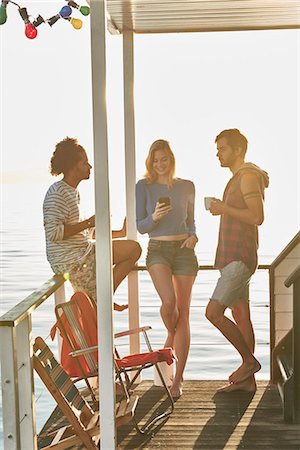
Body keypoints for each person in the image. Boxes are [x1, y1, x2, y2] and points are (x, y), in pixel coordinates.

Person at [43, 137, 141, 310]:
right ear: (72, 166)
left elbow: (85, 235)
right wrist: (89, 222)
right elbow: (54, 233)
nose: (90, 167)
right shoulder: (57, 192)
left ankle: (102, 297)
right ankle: (102, 298)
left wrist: (120, 232)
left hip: (82, 253)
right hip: (72, 261)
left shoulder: (73, 192)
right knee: (134, 249)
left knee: (133, 249)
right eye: (85, 163)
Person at [205, 128, 269, 392]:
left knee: (213, 313)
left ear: (238, 150)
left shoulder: (247, 178)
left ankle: (249, 362)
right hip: (235, 257)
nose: (218, 153)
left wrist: (222, 208)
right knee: (241, 315)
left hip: (240, 258)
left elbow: (257, 217)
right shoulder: (239, 178)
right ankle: (247, 383)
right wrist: (223, 208)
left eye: (222, 148)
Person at [136, 139, 198, 398]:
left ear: (171, 160)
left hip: (184, 252)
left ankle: (177, 380)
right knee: (169, 303)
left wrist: (194, 235)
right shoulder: (144, 187)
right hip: (158, 250)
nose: (160, 164)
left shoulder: (187, 186)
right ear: (151, 162)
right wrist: (155, 218)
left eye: (164, 159)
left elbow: (192, 220)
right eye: (155, 160)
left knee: (183, 312)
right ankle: (171, 336)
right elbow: (141, 226)